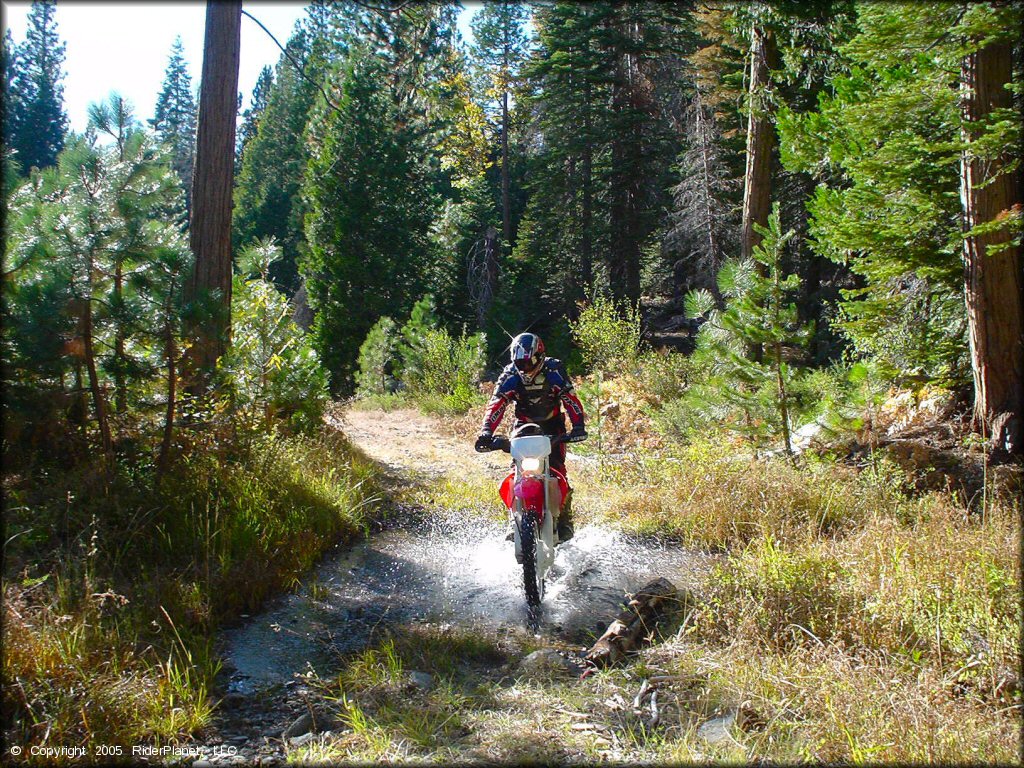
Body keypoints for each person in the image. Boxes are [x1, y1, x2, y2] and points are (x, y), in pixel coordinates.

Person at [475, 332, 587, 541]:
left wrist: (578, 425)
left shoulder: (555, 370)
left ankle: (564, 520)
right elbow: (497, 404)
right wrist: (486, 431)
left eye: (528, 362)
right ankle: (513, 518)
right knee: (516, 470)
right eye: (519, 363)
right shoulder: (510, 375)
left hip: (553, 426)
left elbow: (570, 399)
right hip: (523, 427)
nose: (524, 368)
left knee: (557, 468)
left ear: (540, 356)